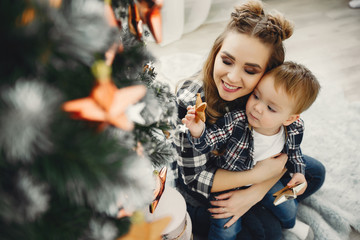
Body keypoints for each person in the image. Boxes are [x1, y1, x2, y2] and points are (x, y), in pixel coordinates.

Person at [171, 0, 326, 239]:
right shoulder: (190, 102)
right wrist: (258, 177)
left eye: (251, 71)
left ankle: (270, 205)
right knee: (268, 233)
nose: (232, 77)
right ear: (216, 53)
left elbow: (287, 144)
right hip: (205, 193)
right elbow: (194, 179)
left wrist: (255, 191)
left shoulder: (265, 94)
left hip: (254, 168)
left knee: (314, 174)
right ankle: (265, 212)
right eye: (227, 61)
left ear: (268, 74)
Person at [183, 61, 320, 239]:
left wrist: (299, 173)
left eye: (271, 108)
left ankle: (288, 223)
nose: (257, 107)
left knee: (288, 209)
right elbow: (209, 141)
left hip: (267, 179)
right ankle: (194, 213)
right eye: (256, 96)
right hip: (230, 183)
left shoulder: (294, 127)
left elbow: (294, 152)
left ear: (289, 118)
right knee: (227, 227)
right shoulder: (236, 121)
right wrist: (198, 131)